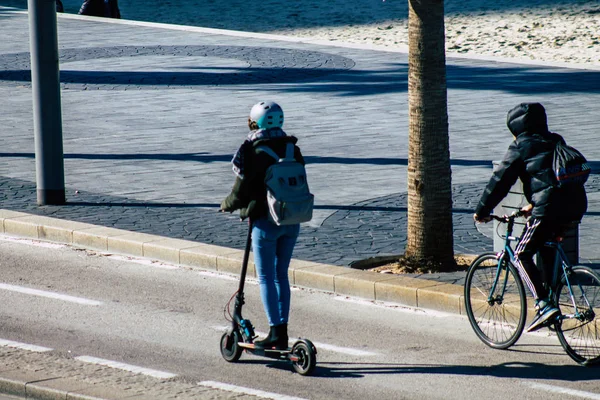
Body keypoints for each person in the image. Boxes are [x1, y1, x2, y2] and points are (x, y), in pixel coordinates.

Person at [473, 102, 587, 332]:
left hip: (548, 209)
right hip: (574, 205)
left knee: (520, 254)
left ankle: (544, 305)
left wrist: (482, 211)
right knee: (545, 247)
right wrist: (532, 204)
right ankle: (552, 300)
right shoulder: (555, 140)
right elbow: (552, 178)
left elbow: (500, 181)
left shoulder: (520, 146)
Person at [220, 101, 305, 349]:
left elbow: (241, 189)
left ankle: (275, 331)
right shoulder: (292, 148)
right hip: (291, 219)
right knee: (281, 275)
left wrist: (227, 204)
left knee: (266, 276)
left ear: (255, 122)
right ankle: (282, 331)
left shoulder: (253, 150)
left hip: (266, 222)